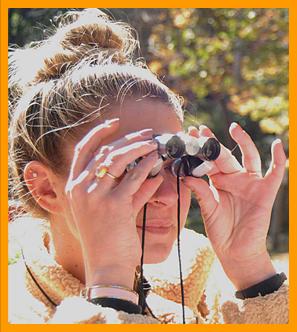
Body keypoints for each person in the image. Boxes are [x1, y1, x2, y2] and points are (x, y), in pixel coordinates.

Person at [8, 8, 288, 324]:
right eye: (131, 166)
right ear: (47, 188)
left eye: (179, 164)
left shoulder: (200, 290)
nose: (168, 195)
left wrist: (252, 272)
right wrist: (110, 291)